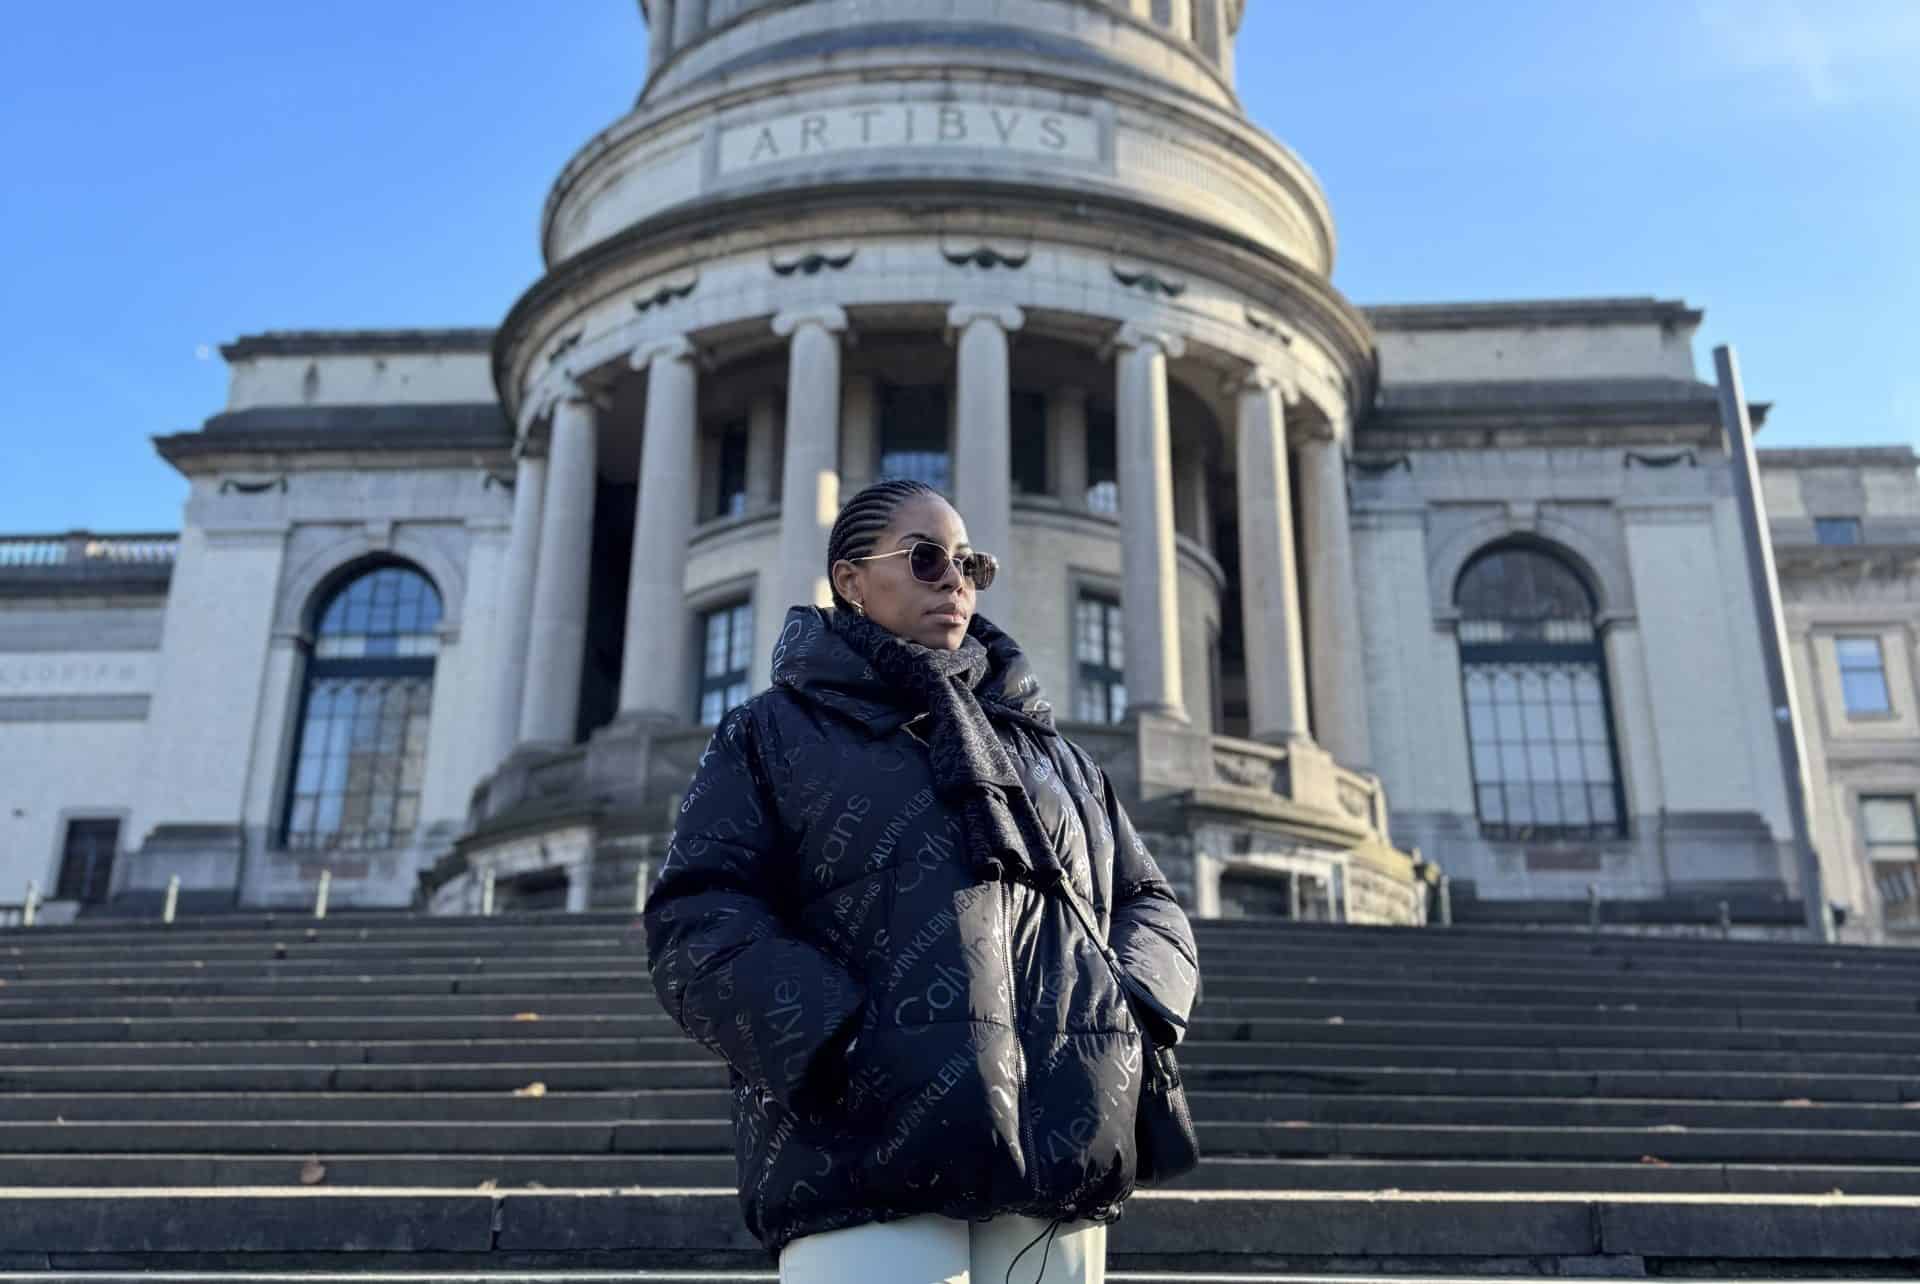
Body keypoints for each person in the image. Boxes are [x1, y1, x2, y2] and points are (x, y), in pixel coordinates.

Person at [645, 477, 1200, 1284]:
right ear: (849, 580)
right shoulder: (771, 733)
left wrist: (1127, 1012)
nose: (956, 582)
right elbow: (696, 917)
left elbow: (1150, 903)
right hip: (861, 1152)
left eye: (971, 564)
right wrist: (838, 1039)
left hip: (1061, 1144)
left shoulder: (1057, 757)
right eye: (927, 558)